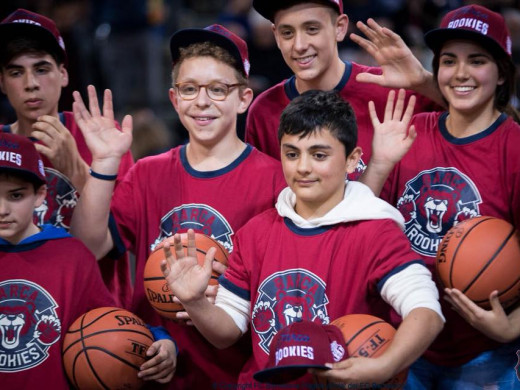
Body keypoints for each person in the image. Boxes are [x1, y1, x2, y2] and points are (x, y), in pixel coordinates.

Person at [158, 89, 445, 388]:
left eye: (319, 155)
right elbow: (226, 332)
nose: (303, 167)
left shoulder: (377, 230)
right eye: (292, 154)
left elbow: (426, 313)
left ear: (352, 160)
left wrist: (384, 366)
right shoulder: (256, 232)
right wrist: (195, 303)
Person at [70, 25, 286, 389]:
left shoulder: (276, 180)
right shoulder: (148, 173)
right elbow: (87, 246)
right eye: (189, 89)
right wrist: (106, 161)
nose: (202, 102)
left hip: (236, 373)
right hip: (154, 368)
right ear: (173, 99)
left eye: (218, 89)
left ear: (244, 98)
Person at [364, 4, 520, 388]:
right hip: (405, 340)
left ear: (501, 73)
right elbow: (359, 227)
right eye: (449, 61)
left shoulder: (514, 147)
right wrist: (380, 165)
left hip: (482, 352)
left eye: (477, 60)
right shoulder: (412, 128)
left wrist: (513, 325)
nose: (461, 73)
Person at [0, 132, 176, 388]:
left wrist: (161, 340)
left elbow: (110, 323)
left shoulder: (71, 256)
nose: (2, 209)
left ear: (39, 195)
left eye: (15, 196)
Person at [0, 8, 134, 308]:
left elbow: (109, 243)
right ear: (2, 82)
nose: (30, 83)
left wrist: (76, 168)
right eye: (15, 71)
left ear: (63, 74)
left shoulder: (102, 137)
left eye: (42, 68)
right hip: (17, 310)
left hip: (95, 321)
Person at [245, 0, 442, 178]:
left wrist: (422, 81)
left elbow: (469, 118)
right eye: (287, 33)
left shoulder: (388, 86)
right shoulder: (264, 110)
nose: (299, 45)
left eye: (312, 29)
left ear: (340, 27)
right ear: (276, 36)